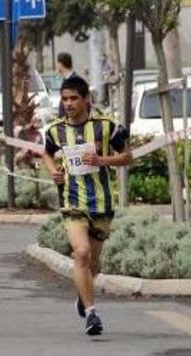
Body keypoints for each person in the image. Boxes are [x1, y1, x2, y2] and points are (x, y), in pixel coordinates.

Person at [40, 76, 132, 336]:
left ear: (85, 100)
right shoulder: (55, 130)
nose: (68, 104)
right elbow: (46, 153)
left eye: (73, 98)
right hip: (72, 202)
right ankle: (92, 314)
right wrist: (53, 171)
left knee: (93, 263)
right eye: (65, 99)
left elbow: (127, 157)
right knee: (81, 253)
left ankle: (84, 293)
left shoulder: (106, 126)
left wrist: (101, 159)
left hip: (102, 204)